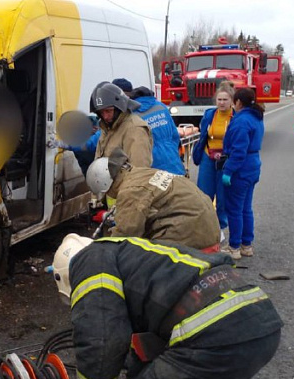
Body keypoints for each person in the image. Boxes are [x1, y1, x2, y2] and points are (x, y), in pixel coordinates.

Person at [50, 234, 283, 379]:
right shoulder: (128, 252)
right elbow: (150, 347)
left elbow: (102, 342)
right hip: (259, 319)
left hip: (216, 332)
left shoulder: (87, 262)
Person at [85, 148, 220, 251]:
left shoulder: (130, 190)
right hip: (208, 230)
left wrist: (102, 252)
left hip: (192, 238)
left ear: (105, 184)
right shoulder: (142, 173)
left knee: (137, 264)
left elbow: (125, 236)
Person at [220, 88, 264, 260]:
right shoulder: (255, 117)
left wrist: (228, 171)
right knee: (246, 208)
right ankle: (246, 245)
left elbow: (239, 151)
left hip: (241, 168)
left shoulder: (241, 121)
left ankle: (234, 247)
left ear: (238, 102)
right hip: (253, 166)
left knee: (234, 209)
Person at [112, 78, 186, 175]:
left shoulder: (131, 114)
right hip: (174, 165)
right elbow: (175, 136)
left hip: (153, 170)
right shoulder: (160, 106)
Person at [192, 82, 235, 235]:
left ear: (232, 101)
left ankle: (220, 227)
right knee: (204, 194)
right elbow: (203, 134)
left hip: (225, 159)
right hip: (207, 156)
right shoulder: (210, 114)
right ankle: (203, 225)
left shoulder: (235, 117)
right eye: (219, 99)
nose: (222, 103)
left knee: (222, 196)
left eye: (225, 100)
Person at [90, 82, 153, 168]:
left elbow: (139, 170)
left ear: (119, 108)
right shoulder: (107, 128)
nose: (105, 116)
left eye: (108, 111)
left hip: (127, 181)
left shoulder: (135, 129)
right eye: (101, 112)